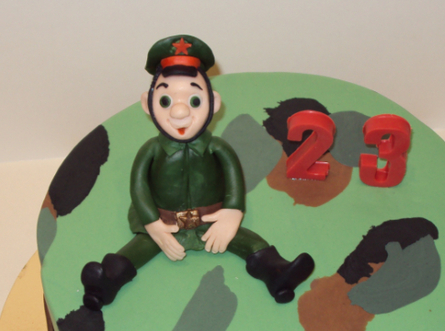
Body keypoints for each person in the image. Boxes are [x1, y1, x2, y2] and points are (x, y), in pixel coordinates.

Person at [81, 35, 314, 311]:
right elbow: (139, 188)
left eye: (194, 100)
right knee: (138, 249)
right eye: (165, 100)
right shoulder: (150, 150)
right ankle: (106, 282)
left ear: (213, 103)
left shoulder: (218, 148)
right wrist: (154, 226)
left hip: (210, 220)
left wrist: (231, 214)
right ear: (147, 104)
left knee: (248, 241)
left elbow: (234, 182)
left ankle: (277, 273)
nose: (180, 111)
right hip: (165, 223)